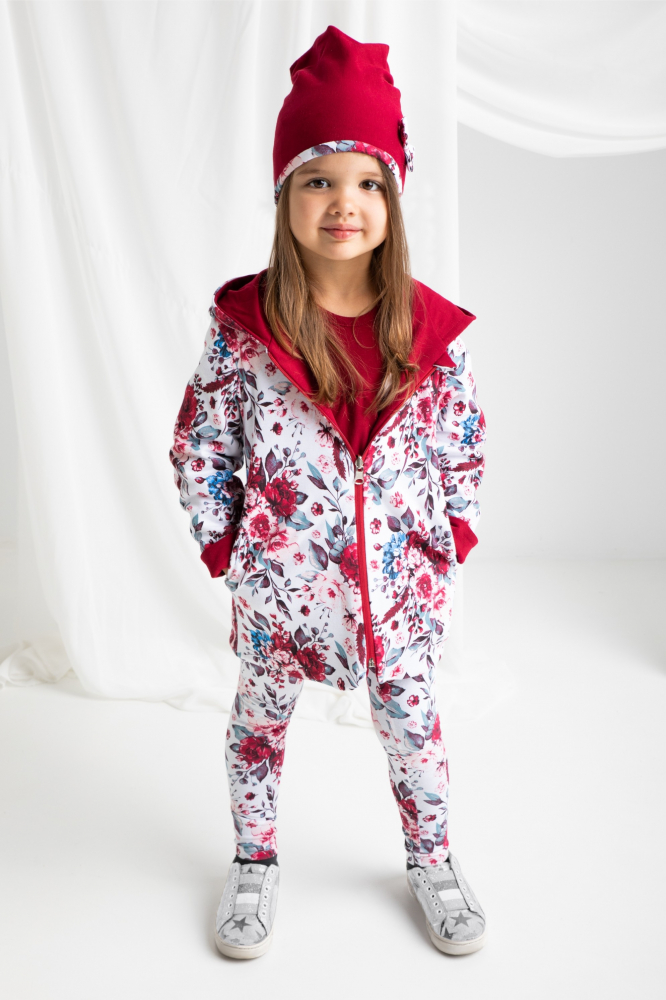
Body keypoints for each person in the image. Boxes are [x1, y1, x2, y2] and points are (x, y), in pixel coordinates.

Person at [169, 25, 487, 960]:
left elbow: (464, 443)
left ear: (393, 197)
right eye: (317, 180)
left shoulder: (428, 334)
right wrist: (226, 545)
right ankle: (253, 858)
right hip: (279, 589)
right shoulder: (245, 331)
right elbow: (201, 442)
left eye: (366, 183)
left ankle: (431, 859)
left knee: (414, 730)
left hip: (399, 593)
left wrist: (451, 536)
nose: (343, 202)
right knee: (257, 725)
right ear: (284, 197)